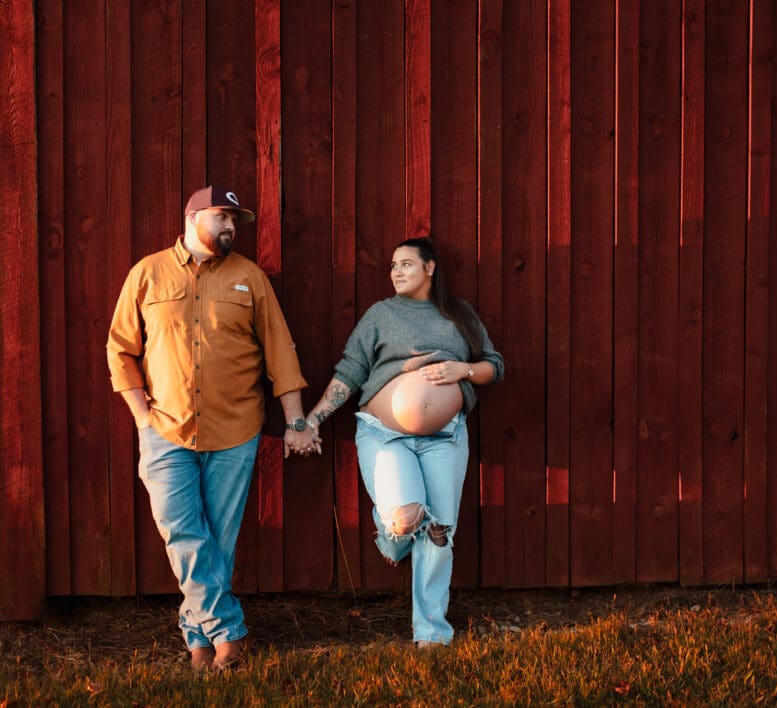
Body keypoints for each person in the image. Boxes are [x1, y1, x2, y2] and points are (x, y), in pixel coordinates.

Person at [106, 185, 320, 672]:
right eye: (224, 218)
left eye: (236, 221)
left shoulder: (250, 278)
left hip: (235, 431)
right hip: (164, 428)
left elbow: (280, 351)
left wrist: (295, 422)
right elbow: (120, 350)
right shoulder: (148, 273)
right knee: (181, 531)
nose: (232, 228)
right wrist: (142, 416)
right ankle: (228, 632)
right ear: (193, 217)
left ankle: (199, 642)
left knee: (216, 541)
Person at [304, 237, 503, 647]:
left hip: (445, 437)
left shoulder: (459, 315)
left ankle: (431, 634)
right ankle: (393, 539)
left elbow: (493, 365)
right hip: (385, 435)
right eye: (393, 265)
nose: (396, 272)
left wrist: (463, 369)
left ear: (430, 268)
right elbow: (352, 370)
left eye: (407, 264)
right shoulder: (381, 314)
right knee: (406, 518)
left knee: (439, 533)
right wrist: (313, 420)